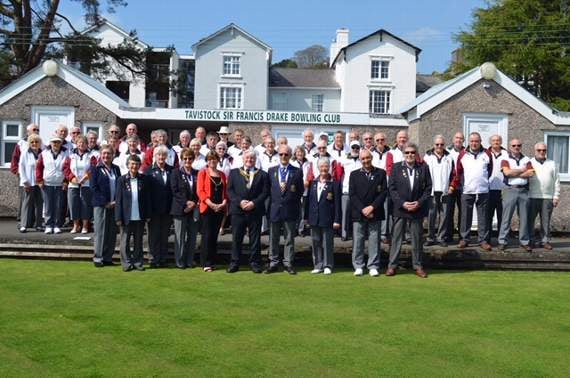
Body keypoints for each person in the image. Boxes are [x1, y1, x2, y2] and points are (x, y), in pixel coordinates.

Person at [387, 143, 432, 278]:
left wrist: (419, 203)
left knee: (417, 239)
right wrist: (402, 203)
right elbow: (392, 188)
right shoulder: (396, 168)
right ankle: (392, 266)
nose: (409, 155)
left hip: (417, 208)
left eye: (412, 152)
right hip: (401, 209)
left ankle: (418, 266)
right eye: (407, 153)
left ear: (416, 153)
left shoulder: (423, 168)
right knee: (396, 239)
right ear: (403, 154)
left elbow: (428, 188)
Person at [227, 150, 269, 273]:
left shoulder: (262, 174)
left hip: (255, 210)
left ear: (255, 160)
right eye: (247, 158)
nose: (249, 160)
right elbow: (230, 191)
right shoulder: (234, 173)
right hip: (238, 211)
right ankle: (234, 263)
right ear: (243, 158)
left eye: (252, 158)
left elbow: (265, 192)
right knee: (236, 238)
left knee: (255, 239)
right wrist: (240, 202)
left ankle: (255, 263)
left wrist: (253, 203)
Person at [450, 132, 493, 251]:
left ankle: (483, 240)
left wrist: (482, 181)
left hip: (483, 190)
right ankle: (464, 239)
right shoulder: (462, 154)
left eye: (476, 141)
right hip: (467, 190)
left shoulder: (487, 154)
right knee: (465, 216)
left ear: (480, 142)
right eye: (472, 141)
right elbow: (458, 171)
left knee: (483, 216)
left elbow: (490, 170)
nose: (474, 143)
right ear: (468, 142)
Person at [266, 145, 304, 275]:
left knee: (289, 238)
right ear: (278, 155)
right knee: (273, 238)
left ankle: (288, 263)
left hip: (290, 209)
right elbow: (269, 191)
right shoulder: (271, 171)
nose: (283, 156)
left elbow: (300, 191)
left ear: (290, 155)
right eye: (281, 154)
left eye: (286, 154)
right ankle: (273, 262)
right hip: (275, 209)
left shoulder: (297, 171)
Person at [349, 149, 388, 277]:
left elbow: (383, 193)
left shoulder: (381, 173)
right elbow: (352, 195)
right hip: (359, 212)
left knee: (374, 240)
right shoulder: (354, 174)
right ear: (360, 160)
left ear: (371, 158)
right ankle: (358, 265)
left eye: (368, 158)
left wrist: (372, 207)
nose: (366, 161)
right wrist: (363, 209)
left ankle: (373, 265)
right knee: (358, 240)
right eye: (363, 159)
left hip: (374, 212)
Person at [305, 157, 341, 275]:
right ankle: (318, 264)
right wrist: (307, 218)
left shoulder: (334, 183)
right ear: (318, 168)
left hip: (328, 218)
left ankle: (327, 265)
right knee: (316, 242)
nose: (324, 169)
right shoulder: (313, 183)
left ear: (329, 167)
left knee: (327, 243)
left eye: (326, 166)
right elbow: (309, 202)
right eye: (321, 167)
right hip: (314, 218)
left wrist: (337, 220)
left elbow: (337, 204)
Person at [115, 154, 150, 272]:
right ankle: (126, 263)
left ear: (139, 165)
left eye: (136, 164)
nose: (134, 166)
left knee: (138, 241)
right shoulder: (121, 180)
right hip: (126, 216)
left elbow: (146, 199)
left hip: (140, 215)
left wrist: (148, 215)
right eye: (132, 164)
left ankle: (138, 262)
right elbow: (118, 200)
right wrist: (118, 217)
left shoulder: (144, 179)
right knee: (124, 241)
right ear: (128, 165)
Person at [497, 139, 534, 251]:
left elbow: (531, 173)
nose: (516, 147)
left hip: (524, 191)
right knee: (506, 218)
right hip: (510, 190)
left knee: (524, 218)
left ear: (521, 146)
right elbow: (507, 173)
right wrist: (522, 170)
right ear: (510, 146)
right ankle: (502, 241)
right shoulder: (505, 159)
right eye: (514, 145)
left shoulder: (527, 159)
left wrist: (515, 172)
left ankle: (524, 241)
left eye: (518, 145)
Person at [197, 152, 229, 272]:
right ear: (207, 160)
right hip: (207, 208)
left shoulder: (222, 174)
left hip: (219, 209)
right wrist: (210, 204)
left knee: (214, 236)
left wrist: (224, 202)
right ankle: (206, 262)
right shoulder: (203, 172)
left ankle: (212, 261)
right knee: (207, 236)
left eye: (214, 159)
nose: (212, 161)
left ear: (217, 160)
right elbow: (200, 191)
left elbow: (225, 192)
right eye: (210, 159)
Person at [91, 145, 121, 267]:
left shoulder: (116, 169)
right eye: (104, 153)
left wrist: (116, 202)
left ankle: (108, 257)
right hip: (101, 205)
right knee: (100, 231)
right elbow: (94, 188)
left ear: (113, 155)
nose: (106, 156)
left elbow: (119, 186)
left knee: (111, 232)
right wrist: (105, 202)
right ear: (100, 155)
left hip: (114, 205)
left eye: (108, 153)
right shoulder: (96, 169)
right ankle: (98, 257)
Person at [170, 148, 199, 269]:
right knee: (180, 237)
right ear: (182, 159)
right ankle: (180, 261)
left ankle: (189, 260)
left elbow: (200, 191)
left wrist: (193, 203)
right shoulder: (175, 173)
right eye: (185, 158)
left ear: (193, 159)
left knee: (192, 237)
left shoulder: (197, 173)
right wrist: (186, 203)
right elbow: (175, 190)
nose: (187, 160)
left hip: (194, 209)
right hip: (180, 209)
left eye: (190, 158)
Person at [145, 145, 174, 268]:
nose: (161, 157)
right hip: (153, 210)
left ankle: (162, 258)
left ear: (166, 157)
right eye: (159, 155)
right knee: (153, 235)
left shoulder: (172, 170)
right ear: (154, 156)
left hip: (167, 209)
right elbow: (147, 193)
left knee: (164, 235)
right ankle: (153, 258)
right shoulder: (149, 171)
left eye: (163, 155)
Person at [423, 135, 454, 247]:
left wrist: (451, 186)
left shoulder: (449, 157)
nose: (439, 146)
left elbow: (454, 174)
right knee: (431, 215)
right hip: (432, 191)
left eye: (441, 144)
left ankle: (441, 237)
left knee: (444, 215)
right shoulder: (427, 157)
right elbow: (423, 174)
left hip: (445, 191)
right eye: (437, 144)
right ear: (433, 145)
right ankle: (430, 237)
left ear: (444, 145)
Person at [528, 142, 560, 250]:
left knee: (545, 221)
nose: (542, 152)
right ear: (535, 151)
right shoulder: (529, 162)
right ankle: (530, 241)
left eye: (544, 150)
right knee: (530, 220)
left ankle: (545, 241)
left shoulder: (552, 163)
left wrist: (556, 196)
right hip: (532, 196)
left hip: (547, 197)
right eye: (539, 150)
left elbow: (556, 181)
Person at [36, 135, 68, 234]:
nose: (56, 144)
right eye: (54, 142)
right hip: (47, 183)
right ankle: (49, 225)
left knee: (58, 205)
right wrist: (39, 180)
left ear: (60, 144)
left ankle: (57, 225)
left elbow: (67, 169)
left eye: (58, 142)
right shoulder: (44, 154)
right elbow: (39, 168)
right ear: (50, 143)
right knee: (48, 205)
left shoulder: (65, 154)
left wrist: (66, 181)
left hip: (59, 183)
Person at [63, 135, 93, 234]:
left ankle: (85, 226)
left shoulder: (91, 155)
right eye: (79, 142)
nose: (81, 144)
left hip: (86, 183)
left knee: (85, 205)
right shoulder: (71, 155)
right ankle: (76, 225)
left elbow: (93, 168)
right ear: (76, 143)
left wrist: (86, 177)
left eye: (84, 142)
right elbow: (66, 169)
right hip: (73, 184)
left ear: (87, 144)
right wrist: (72, 178)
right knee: (73, 204)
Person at [18, 134, 43, 232]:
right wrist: (24, 182)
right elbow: (21, 167)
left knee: (39, 204)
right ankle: (23, 225)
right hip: (28, 182)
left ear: (39, 143)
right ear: (29, 143)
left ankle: (39, 224)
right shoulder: (25, 153)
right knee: (26, 204)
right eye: (32, 142)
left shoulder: (43, 153)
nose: (34, 144)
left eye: (36, 142)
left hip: (39, 183)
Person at [486, 134, 508, 243]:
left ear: (501, 142)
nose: (496, 142)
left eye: (498, 140)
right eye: (494, 140)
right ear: (490, 142)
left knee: (502, 216)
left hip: (502, 190)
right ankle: (487, 239)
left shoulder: (506, 154)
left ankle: (501, 239)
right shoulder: (485, 153)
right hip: (488, 190)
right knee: (487, 216)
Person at [340, 141, 362, 241]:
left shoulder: (362, 160)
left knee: (357, 213)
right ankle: (344, 234)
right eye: (353, 147)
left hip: (358, 192)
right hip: (346, 190)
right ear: (350, 148)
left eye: (357, 147)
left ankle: (356, 234)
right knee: (345, 213)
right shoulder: (344, 159)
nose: (355, 149)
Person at [447, 131, 465, 240]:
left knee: (463, 212)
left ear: (463, 141)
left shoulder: (466, 152)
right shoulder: (448, 152)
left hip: (463, 186)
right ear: (453, 140)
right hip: (450, 186)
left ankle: (462, 235)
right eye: (456, 138)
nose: (458, 140)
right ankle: (448, 234)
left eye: (461, 138)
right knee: (449, 211)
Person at [290, 146, 311, 236]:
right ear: (295, 153)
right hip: (294, 190)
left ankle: (301, 229)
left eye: (301, 152)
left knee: (302, 211)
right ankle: (293, 228)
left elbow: (310, 174)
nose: (299, 154)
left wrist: (308, 181)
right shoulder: (291, 162)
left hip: (305, 190)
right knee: (294, 210)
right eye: (298, 152)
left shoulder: (308, 163)